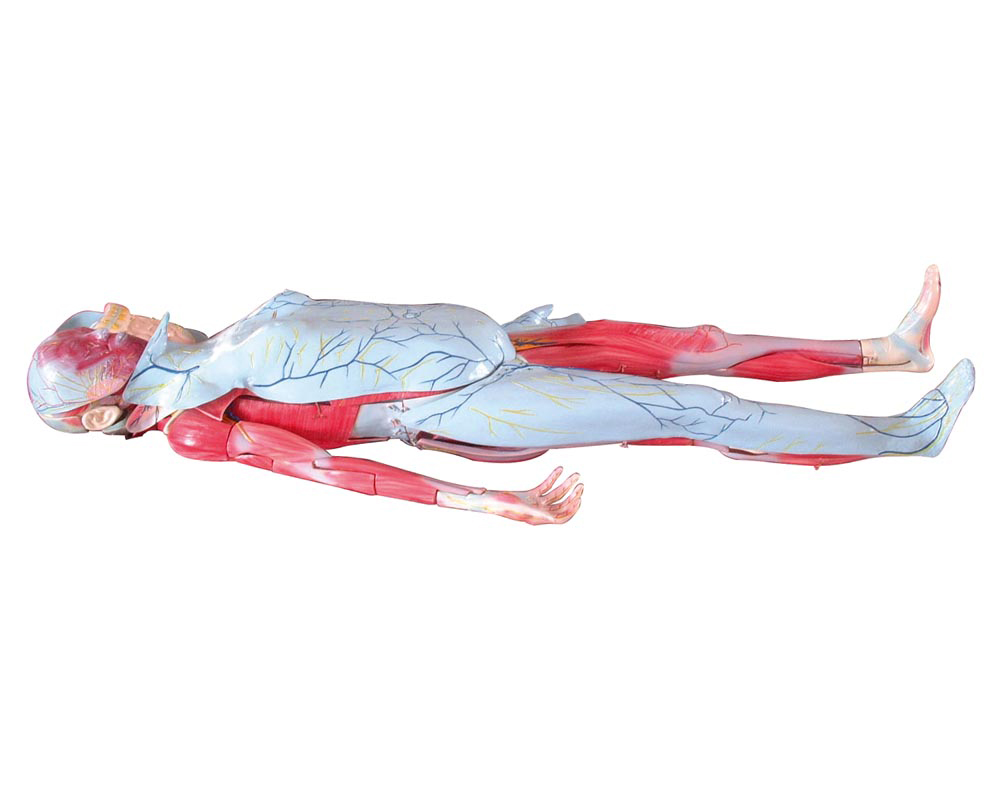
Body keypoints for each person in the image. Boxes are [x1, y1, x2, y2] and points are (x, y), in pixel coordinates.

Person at [27, 266, 974, 525]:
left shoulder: (209, 350)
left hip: (483, 342)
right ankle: (903, 436)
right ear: (106, 412)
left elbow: (341, 329)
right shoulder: (196, 425)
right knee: (693, 414)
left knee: (695, 349)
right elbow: (327, 471)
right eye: (137, 350)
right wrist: (490, 500)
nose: (157, 336)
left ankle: (888, 351)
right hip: (452, 406)